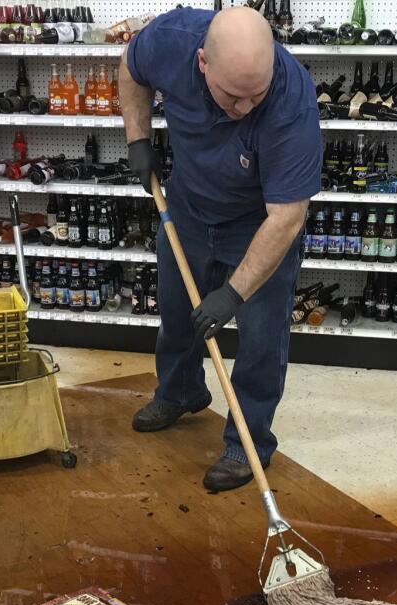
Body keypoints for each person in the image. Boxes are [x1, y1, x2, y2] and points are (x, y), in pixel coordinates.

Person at [118, 6, 321, 492]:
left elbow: (287, 216)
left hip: (258, 223)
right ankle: (181, 391)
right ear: (202, 60)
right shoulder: (171, 38)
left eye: (257, 95)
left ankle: (247, 442)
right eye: (233, 96)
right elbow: (131, 65)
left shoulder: (292, 103)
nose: (245, 108)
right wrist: (137, 138)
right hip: (187, 206)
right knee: (177, 309)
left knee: (260, 337)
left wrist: (232, 294)